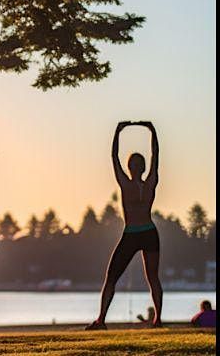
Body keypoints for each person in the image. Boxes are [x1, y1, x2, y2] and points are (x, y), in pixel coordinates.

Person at [86, 121, 163, 330]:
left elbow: (114, 157)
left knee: (114, 278)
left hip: (137, 233)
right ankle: (156, 319)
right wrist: (152, 131)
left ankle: (102, 320)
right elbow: (156, 155)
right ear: (140, 167)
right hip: (145, 232)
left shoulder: (126, 183)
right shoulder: (150, 182)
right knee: (150, 278)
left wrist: (118, 132)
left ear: (131, 167)